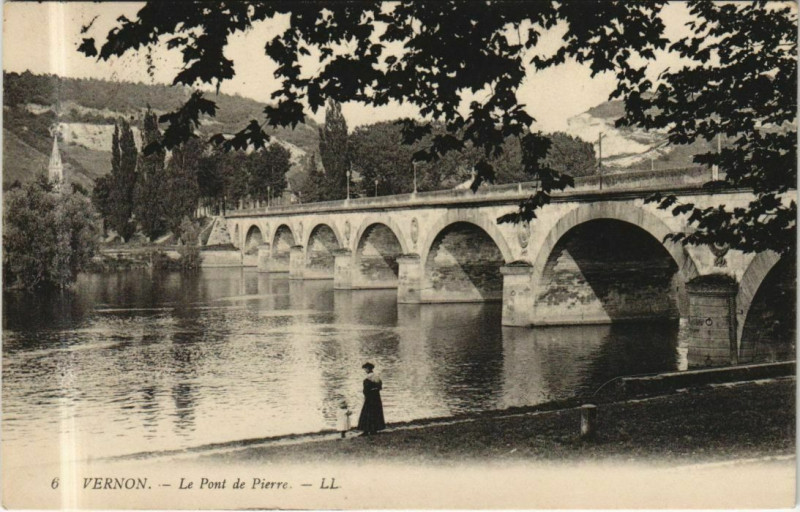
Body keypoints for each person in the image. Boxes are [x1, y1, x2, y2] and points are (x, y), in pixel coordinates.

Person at [357, 362, 385, 436]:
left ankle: (366, 430)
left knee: (367, 413)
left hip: (370, 398)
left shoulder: (367, 379)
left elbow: (366, 390)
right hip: (376, 397)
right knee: (375, 412)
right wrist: (375, 389)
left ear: (368, 369)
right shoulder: (377, 377)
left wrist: (366, 395)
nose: (365, 370)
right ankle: (374, 429)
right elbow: (380, 387)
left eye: (365, 369)